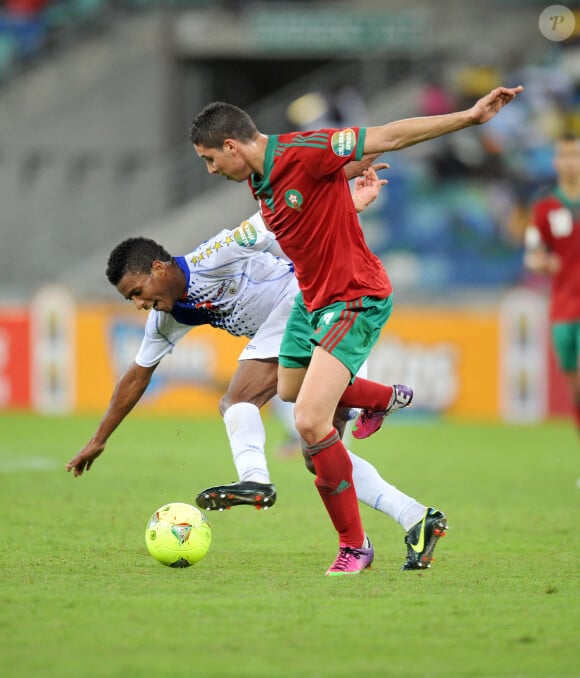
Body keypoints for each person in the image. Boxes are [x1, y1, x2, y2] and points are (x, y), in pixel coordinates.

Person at [189, 85, 523, 575]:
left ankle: (355, 547)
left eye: (210, 159)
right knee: (289, 391)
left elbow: (388, 135)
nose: (211, 169)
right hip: (312, 300)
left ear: (232, 146)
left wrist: (469, 118)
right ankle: (384, 401)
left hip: (353, 297)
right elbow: (313, 209)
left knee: (309, 424)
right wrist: (351, 202)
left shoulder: (305, 150)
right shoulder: (260, 180)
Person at [65, 167, 438, 572]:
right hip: (301, 339)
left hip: (313, 308)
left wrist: (349, 200)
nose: (139, 304)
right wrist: (99, 438)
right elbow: (138, 374)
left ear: (158, 269)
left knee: (239, 399)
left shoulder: (216, 253)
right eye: (130, 300)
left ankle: (264, 481)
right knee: (320, 456)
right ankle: (416, 517)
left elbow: (287, 219)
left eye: (137, 292)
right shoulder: (167, 317)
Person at [524, 134, 580, 435]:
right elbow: (532, 254)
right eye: (565, 156)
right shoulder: (545, 208)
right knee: (575, 389)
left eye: (576, 155)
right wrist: (541, 263)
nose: (571, 162)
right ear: (557, 162)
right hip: (563, 308)